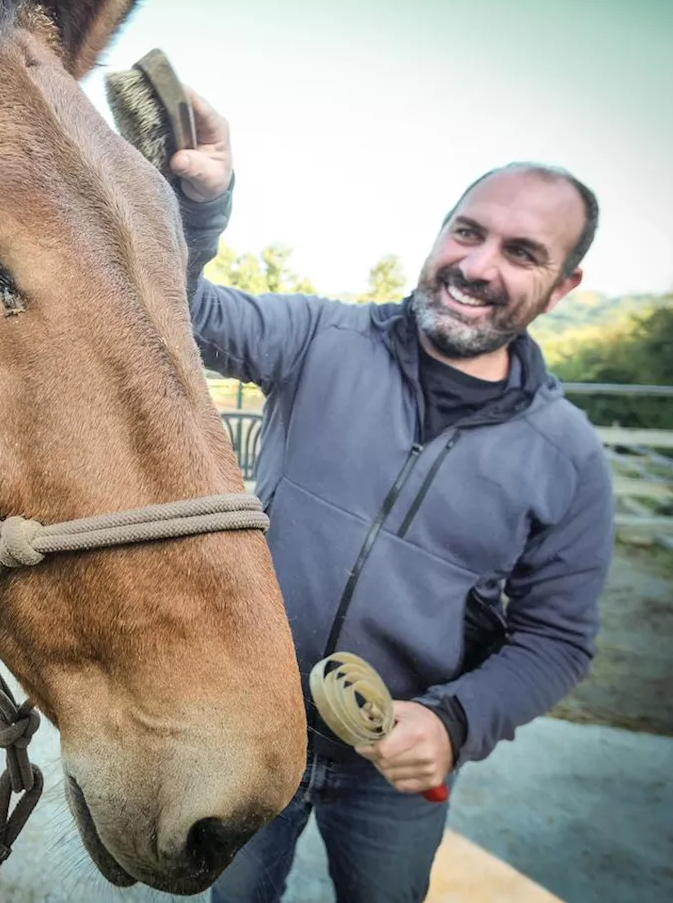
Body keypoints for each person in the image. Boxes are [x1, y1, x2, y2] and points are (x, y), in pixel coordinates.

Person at [168, 89, 616, 903]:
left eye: (522, 253)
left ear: (562, 285)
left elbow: (558, 640)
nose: (478, 267)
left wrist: (454, 722)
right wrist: (203, 210)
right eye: (467, 231)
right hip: (251, 723)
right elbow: (177, 309)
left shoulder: (572, 459)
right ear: (441, 230)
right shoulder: (317, 338)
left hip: (393, 765)